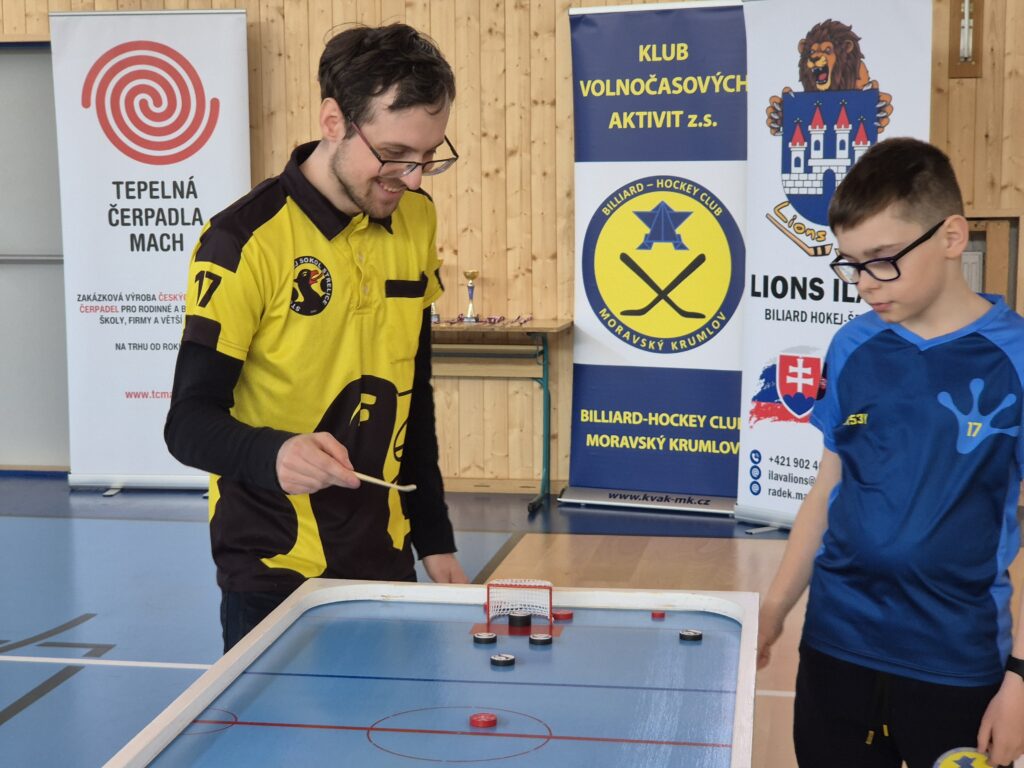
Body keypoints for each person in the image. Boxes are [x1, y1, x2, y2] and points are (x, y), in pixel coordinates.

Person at [164, 23, 467, 653]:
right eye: (394, 154)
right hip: (272, 572)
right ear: (334, 121)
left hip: (384, 560)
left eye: (428, 156)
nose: (412, 179)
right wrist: (273, 453)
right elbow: (188, 423)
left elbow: (414, 397)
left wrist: (434, 537)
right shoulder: (242, 241)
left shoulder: (415, 218)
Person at [757, 137, 1024, 767]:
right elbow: (828, 488)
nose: (863, 285)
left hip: (957, 662)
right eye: (851, 264)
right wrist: (774, 607)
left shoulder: (1013, 358)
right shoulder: (853, 347)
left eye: (881, 261)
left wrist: (1020, 676)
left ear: (951, 237)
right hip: (837, 645)